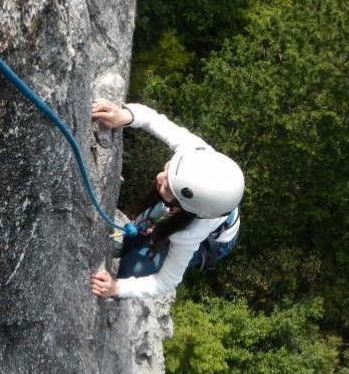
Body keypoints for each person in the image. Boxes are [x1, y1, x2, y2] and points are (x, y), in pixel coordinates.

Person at [90, 100, 244, 300]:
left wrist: (117, 288)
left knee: (137, 266)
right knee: (137, 232)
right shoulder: (195, 155)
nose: (159, 178)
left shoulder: (189, 234)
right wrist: (126, 116)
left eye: (168, 187)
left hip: (214, 240)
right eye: (168, 169)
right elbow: (153, 120)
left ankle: (122, 289)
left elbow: (167, 280)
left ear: (182, 207)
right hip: (203, 212)